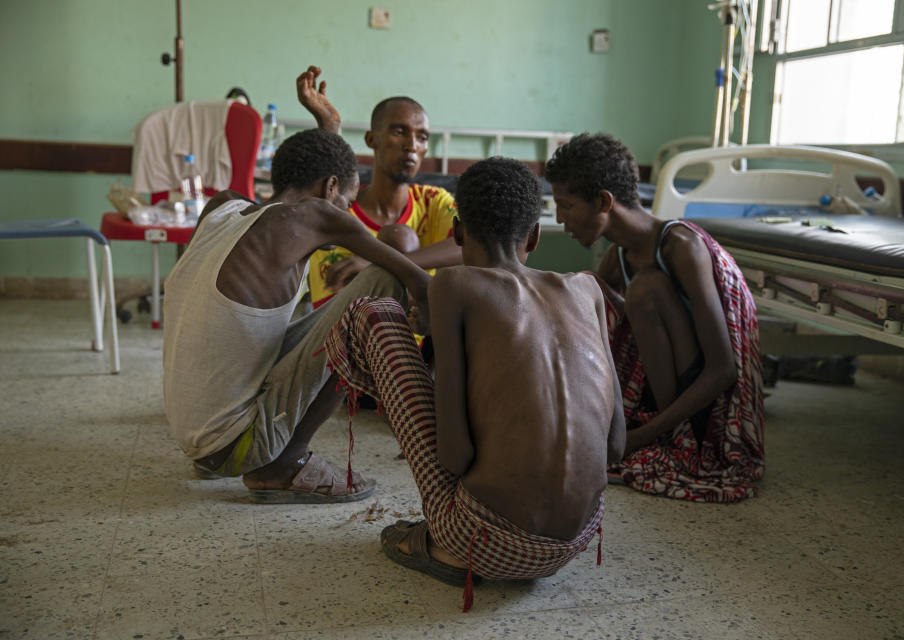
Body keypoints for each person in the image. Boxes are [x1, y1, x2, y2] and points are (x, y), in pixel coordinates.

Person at [322, 157, 625, 611]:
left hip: (482, 539)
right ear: (536, 236)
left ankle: (442, 546)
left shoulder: (454, 285)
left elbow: (455, 454)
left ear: (459, 233)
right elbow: (616, 447)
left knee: (374, 315)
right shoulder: (588, 289)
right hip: (573, 541)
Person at [162, 128, 431, 503]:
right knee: (384, 281)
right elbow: (414, 280)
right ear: (330, 187)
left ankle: (257, 454)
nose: (347, 213)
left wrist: (327, 127)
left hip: (197, 439)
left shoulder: (221, 208)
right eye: (347, 202)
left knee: (300, 318)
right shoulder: (316, 216)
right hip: (236, 445)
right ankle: (285, 462)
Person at [544, 133, 765, 503]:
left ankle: (673, 439)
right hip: (661, 401)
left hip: (707, 409)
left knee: (644, 289)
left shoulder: (681, 247)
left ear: (603, 202)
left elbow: (723, 369)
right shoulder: (618, 259)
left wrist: (640, 438)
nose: (559, 218)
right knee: (583, 290)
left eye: (566, 206)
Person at [296, 65, 461, 307]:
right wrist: (329, 125)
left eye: (422, 137)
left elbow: (473, 244)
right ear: (372, 139)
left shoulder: (433, 202)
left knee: (400, 237)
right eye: (399, 131)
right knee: (398, 237)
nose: (412, 145)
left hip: (417, 340)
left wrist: (380, 264)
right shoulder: (339, 208)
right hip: (341, 337)